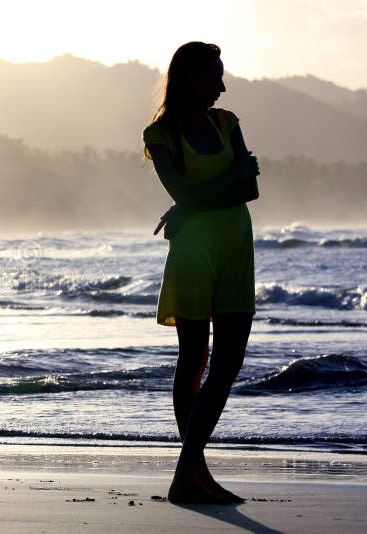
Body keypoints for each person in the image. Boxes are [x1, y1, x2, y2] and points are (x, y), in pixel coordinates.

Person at [142, 41, 260, 504]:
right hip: (193, 254)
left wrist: (187, 204)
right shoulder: (161, 135)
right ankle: (191, 474)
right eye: (215, 76)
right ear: (191, 77)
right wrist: (195, 198)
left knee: (228, 363)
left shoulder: (226, 122)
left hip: (235, 248)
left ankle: (188, 472)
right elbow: (229, 181)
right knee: (195, 361)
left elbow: (249, 190)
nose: (222, 86)